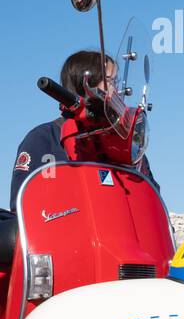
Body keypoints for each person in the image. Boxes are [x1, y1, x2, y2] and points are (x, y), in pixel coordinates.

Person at [10, 49, 158, 210]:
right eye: (111, 82)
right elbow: (25, 205)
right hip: (68, 232)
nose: (118, 91)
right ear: (86, 85)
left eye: (118, 82)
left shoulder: (126, 146)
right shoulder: (44, 138)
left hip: (122, 231)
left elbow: (152, 198)